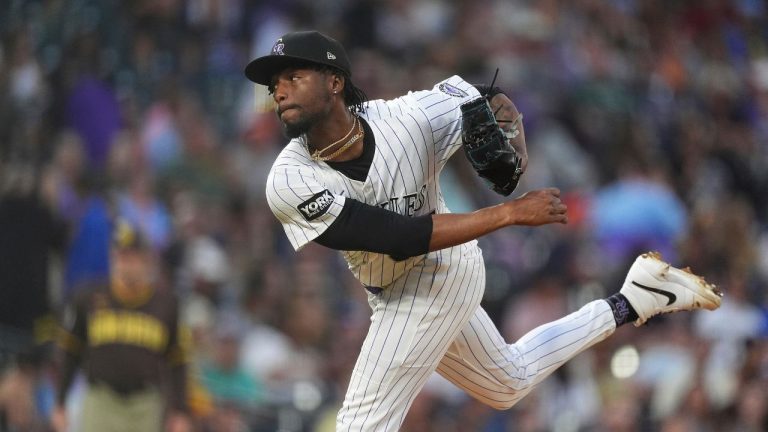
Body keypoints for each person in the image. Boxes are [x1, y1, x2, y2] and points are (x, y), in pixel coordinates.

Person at [243, 30, 723, 431]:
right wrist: (509, 213)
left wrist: (511, 135)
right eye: (274, 83)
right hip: (392, 282)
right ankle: (634, 299)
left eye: (292, 76)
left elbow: (485, 98)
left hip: (441, 273)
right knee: (507, 382)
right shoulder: (289, 179)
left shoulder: (408, 118)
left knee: (359, 425)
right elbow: (392, 235)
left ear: (334, 82)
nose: (279, 90)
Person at [51, 220, 191, 432]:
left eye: (132, 257)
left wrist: (180, 411)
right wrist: (60, 401)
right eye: (121, 256)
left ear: (147, 260)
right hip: (101, 399)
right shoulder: (88, 297)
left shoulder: (166, 304)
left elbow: (178, 360)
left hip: (145, 404)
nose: (125, 264)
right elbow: (70, 351)